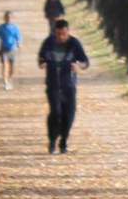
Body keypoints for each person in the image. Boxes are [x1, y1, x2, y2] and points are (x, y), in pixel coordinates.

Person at [37, 19, 89, 155]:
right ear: (55, 32)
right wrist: (42, 63)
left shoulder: (74, 43)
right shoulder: (48, 42)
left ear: (68, 32)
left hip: (69, 86)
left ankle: (64, 141)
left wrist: (79, 66)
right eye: (58, 34)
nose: (61, 37)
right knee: (56, 113)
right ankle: (52, 139)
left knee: (69, 115)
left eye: (64, 34)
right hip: (53, 85)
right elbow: (41, 58)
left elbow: (85, 62)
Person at [0, 11, 22, 91]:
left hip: (13, 49)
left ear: (12, 18)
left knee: (12, 69)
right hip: (3, 49)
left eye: (10, 17)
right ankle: (5, 82)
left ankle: (9, 80)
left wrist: (19, 43)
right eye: (7, 17)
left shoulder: (15, 28)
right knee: (5, 66)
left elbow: (19, 37)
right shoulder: (1, 28)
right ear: (4, 18)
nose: (8, 19)